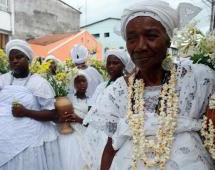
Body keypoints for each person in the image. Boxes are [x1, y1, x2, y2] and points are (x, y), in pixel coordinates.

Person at [100, 1, 215, 170]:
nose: (140, 46)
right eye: (132, 39)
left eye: (151, 36)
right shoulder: (119, 90)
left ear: (169, 40)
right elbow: (111, 145)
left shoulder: (198, 79)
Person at [0, 39, 61, 170]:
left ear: (28, 59)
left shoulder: (38, 83)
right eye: (11, 58)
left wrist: (26, 112)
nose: (14, 61)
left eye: (19, 57)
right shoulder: (3, 79)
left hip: (28, 137)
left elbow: (53, 114)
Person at [82, 49, 133, 170]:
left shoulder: (127, 85)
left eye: (115, 63)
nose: (111, 66)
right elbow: (92, 109)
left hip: (115, 135)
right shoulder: (101, 86)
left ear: (124, 65)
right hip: (96, 134)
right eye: (109, 63)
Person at [59, 71, 91, 170]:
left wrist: (79, 119)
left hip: (86, 133)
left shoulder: (92, 100)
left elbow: (92, 122)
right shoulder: (68, 99)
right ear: (74, 84)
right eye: (78, 82)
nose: (81, 84)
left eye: (83, 81)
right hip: (71, 134)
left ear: (87, 82)